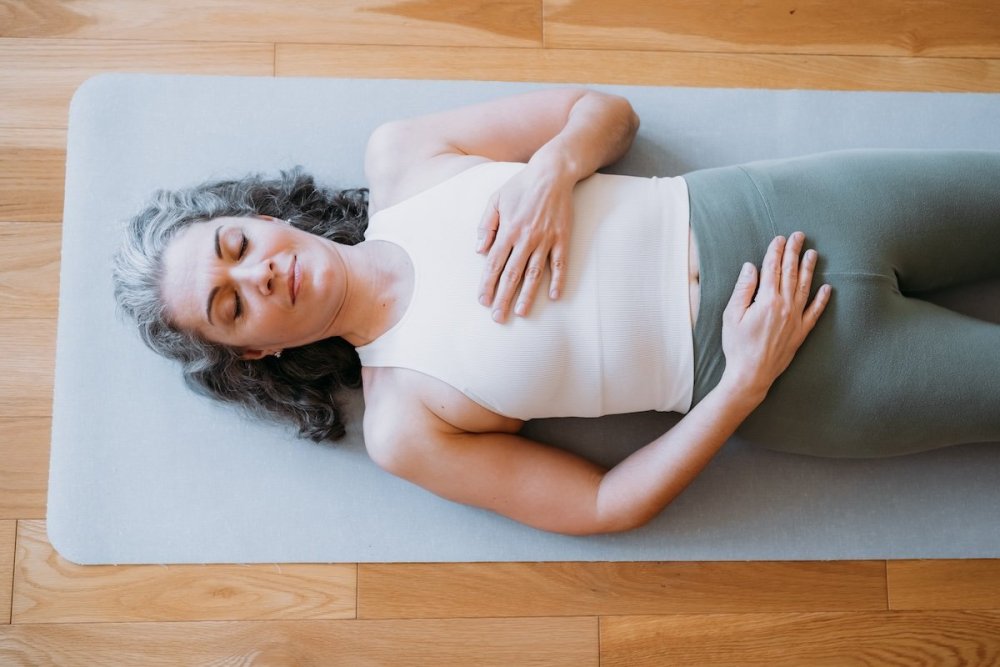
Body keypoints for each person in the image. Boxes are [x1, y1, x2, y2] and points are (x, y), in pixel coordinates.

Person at [113, 88, 1000, 536]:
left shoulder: (407, 157)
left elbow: (605, 110)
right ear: (255, 356)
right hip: (809, 374)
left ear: (262, 217)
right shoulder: (402, 424)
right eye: (230, 307)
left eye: (236, 245)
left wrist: (551, 171)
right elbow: (605, 503)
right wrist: (742, 383)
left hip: (789, 209)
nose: (258, 276)